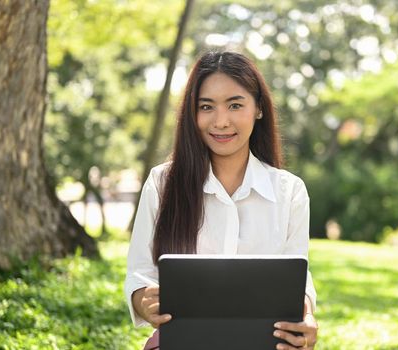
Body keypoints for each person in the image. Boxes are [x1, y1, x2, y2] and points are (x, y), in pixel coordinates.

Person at [124, 51, 319, 350]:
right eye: (206, 106)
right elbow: (139, 274)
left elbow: (296, 282)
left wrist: (305, 318)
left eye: (235, 105)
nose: (221, 121)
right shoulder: (162, 184)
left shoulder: (289, 191)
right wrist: (143, 299)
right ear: (193, 112)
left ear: (258, 109)